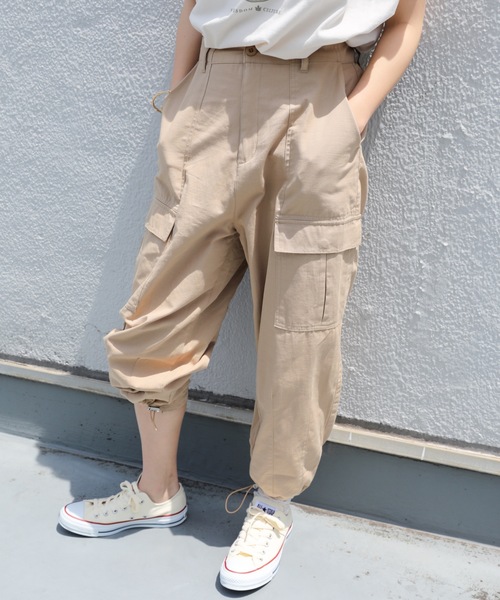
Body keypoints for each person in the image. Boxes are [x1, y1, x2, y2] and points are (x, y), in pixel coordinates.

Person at [59, 0, 426, 592]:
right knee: (156, 313)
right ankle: (157, 490)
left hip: (319, 99)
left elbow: (406, 19)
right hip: (211, 93)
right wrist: (178, 99)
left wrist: (351, 119)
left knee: (299, 329)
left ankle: (272, 504)